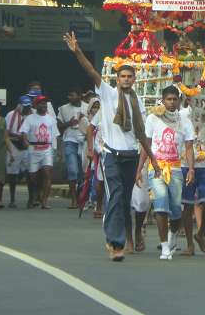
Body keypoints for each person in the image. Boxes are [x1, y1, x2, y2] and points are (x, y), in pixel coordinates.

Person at [63, 30, 160, 262]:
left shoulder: (136, 102)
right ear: (117, 79)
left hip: (130, 156)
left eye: (129, 76)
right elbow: (92, 71)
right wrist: (77, 51)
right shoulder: (107, 94)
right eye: (123, 76)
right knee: (115, 197)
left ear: (134, 79)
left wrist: (154, 161)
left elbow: (142, 135)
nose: (126, 79)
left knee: (125, 200)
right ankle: (114, 243)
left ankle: (126, 238)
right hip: (112, 156)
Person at [137, 86, 196, 260]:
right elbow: (146, 145)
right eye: (168, 99)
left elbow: (189, 147)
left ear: (178, 101)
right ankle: (164, 247)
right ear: (162, 100)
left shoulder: (184, 121)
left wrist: (191, 169)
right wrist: (139, 168)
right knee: (160, 205)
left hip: (176, 168)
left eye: (174, 99)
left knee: (176, 210)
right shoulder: (153, 118)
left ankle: (172, 236)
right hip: (156, 169)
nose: (171, 102)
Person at [179, 102, 205, 256]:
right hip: (184, 164)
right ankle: (189, 244)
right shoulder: (181, 115)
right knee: (187, 206)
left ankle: (200, 234)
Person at [20, 95, 59, 209]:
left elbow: (55, 135)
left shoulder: (51, 119)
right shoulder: (30, 118)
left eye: (45, 103)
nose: (43, 105)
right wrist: (25, 141)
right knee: (33, 176)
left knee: (47, 172)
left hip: (47, 148)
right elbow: (24, 132)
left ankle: (44, 201)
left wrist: (57, 150)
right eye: (41, 103)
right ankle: (33, 195)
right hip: (33, 148)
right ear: (35, 105)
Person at [58, 89, 89, 209]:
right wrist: (69, 123)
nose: (69, 97)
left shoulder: (87, 107)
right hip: (70, 140)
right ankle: (73, 200)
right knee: (73, 170)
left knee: (82, 171)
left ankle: (81, 198)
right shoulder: (63, 108)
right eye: (69, 95)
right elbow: (59, 125)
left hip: (84, 141)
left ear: (79, 96)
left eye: (72, 95)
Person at [6, 95, 32, 208]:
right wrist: (19, 136)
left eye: (28, 106)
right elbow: (7, 132)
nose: (26, 108)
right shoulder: (11, 115)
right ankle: (12, 199)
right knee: (12, 174)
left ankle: (32, 198)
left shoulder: (31, 116)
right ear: (19, 106)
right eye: (24, 106)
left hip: (27, 146)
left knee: (30, 173)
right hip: (14, 144)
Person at [85, 94, 105, 218]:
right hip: (102, 149)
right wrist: (91, 149)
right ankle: (98, 205)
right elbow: (89, 129)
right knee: (101, 181)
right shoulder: (102, 112)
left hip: (120, 149)